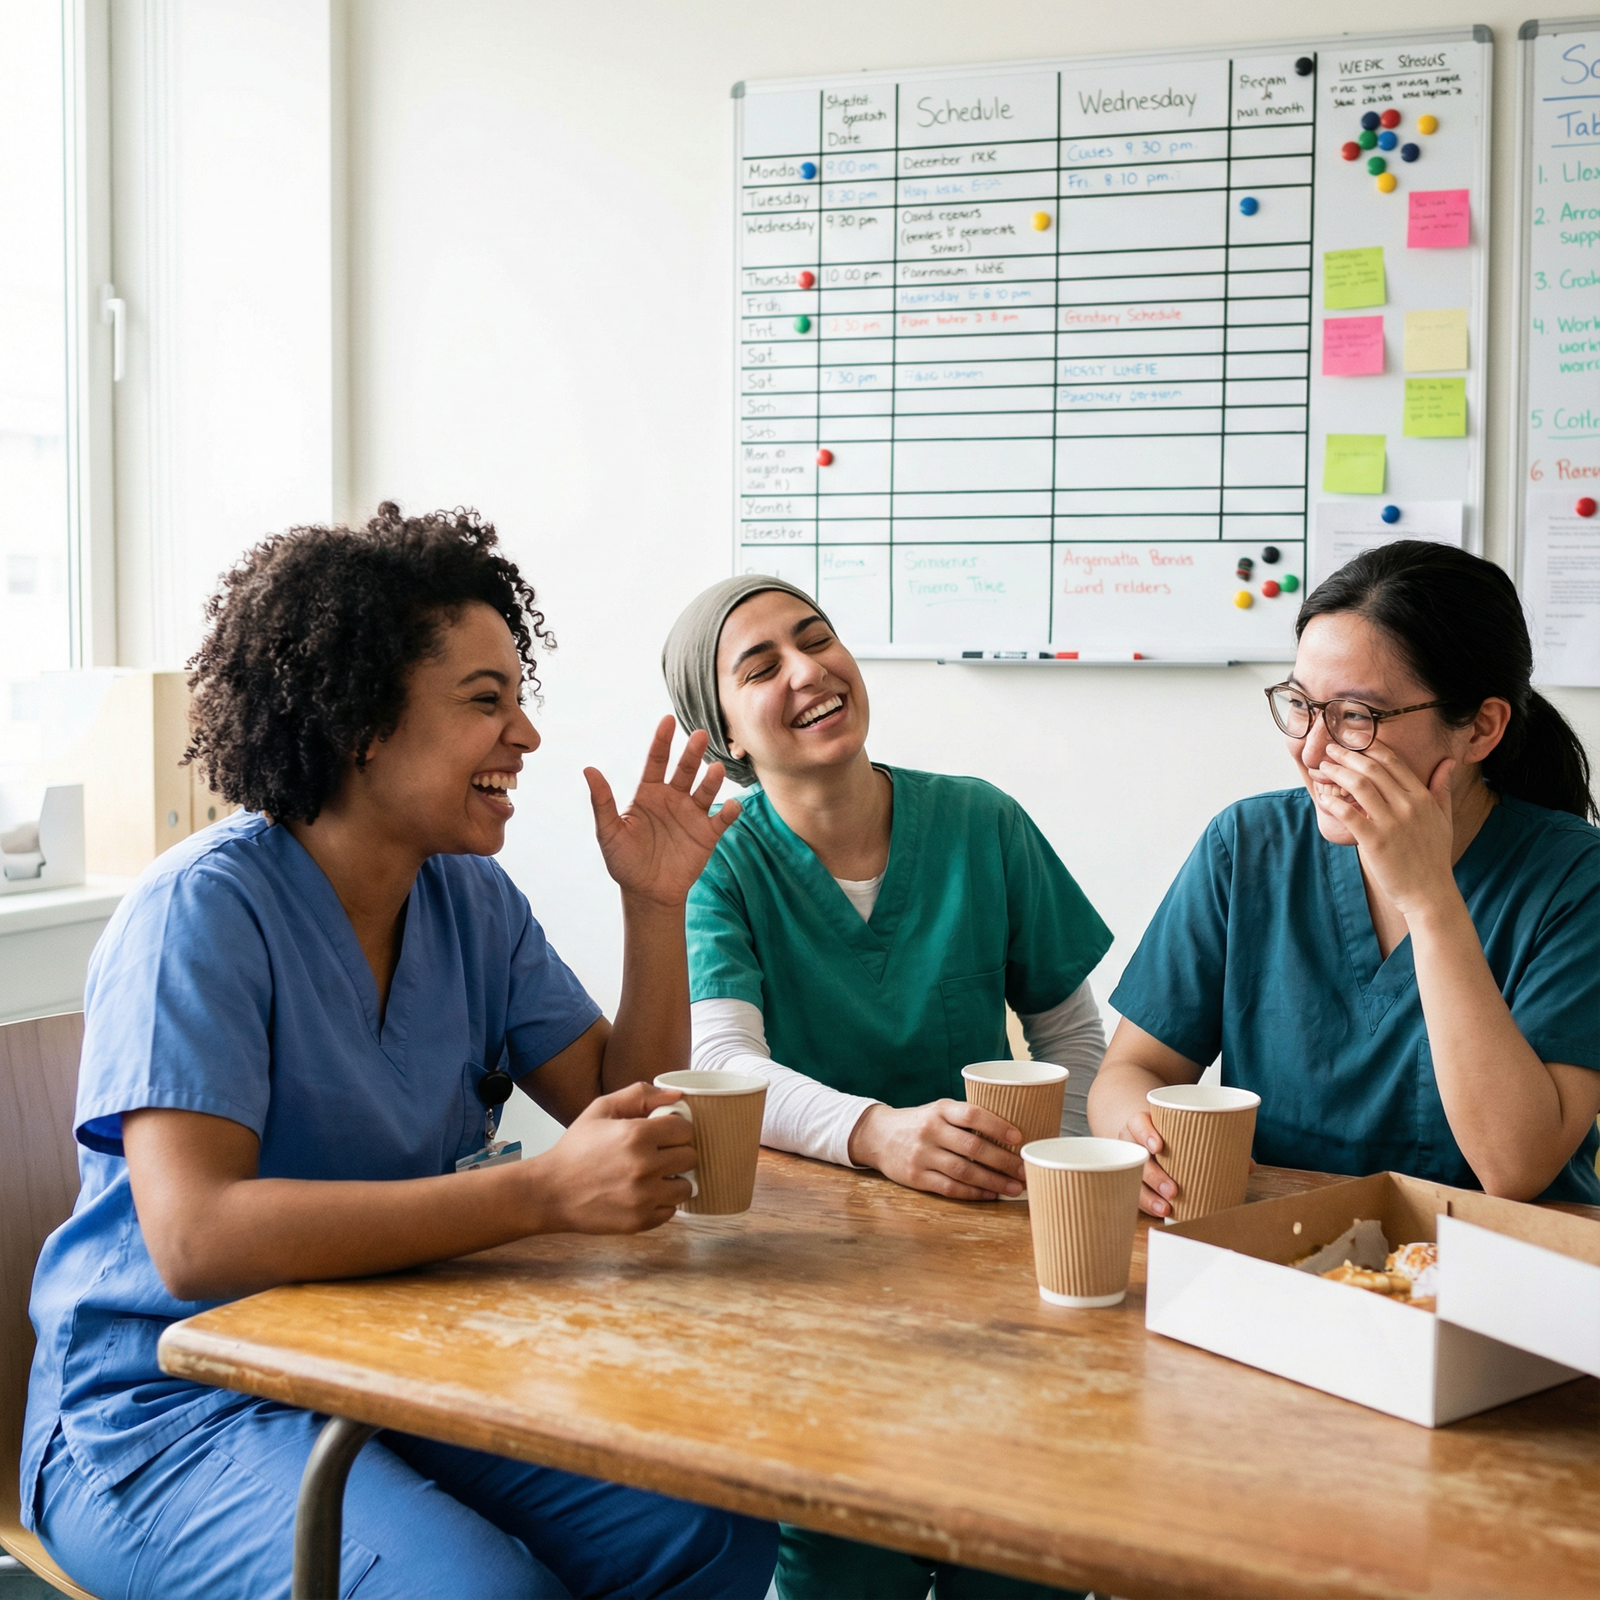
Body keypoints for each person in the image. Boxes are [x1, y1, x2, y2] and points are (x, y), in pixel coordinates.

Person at [22, 505, 778, 1600]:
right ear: (359, 720)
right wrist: (534, 1195)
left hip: (389, 1359)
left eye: (520, 701)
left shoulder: (471, 899)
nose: (522, 736)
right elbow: (196, 1238)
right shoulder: (201, 913)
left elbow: (629, 1114)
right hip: (165, 1410)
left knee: (710, 1526)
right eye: (486, 702)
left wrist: (653, 908)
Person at [663, 573, 1109, 1600]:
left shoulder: (980, 823)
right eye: (761, 665)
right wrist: (876, 1135)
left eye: (817, 639)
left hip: (994, 1269)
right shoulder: (716, 863)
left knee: (1021, 1545)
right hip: (808, 1286)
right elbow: (720, 1065)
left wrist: (1055, 1167)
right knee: (837, 1550)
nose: (809, 670)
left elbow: (1072, 1028)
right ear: (719, 729)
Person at [1091, 540, 1600, 1214]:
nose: (1312, 750)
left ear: (1480, 728)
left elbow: (1515, 1167)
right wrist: (1143, 1136)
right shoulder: (1246, 845)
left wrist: (1428, 898)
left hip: (1492, 1275)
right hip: (1278, 1250)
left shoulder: (1575, 878)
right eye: (1302, 704)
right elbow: (1136, 1070)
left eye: (1356, 716)